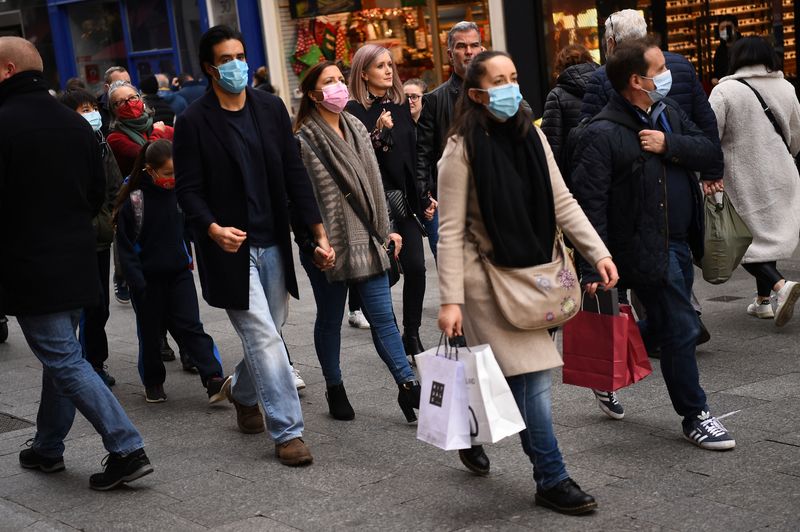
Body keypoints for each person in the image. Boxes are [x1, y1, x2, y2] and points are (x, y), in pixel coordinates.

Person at [437, 50, 617, 515]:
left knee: (516, 383)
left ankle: (474, 434)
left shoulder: (533, 138)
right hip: (486, 284)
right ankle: (552, 478)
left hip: (537, 276)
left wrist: (598, 252)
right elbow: (451, 231)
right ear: (476, 95)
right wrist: (450, 300)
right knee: (533, 383)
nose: (510, 88)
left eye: (514, 77)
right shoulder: (460, 150)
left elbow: (563, 201)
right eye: (498, 81)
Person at [0, 36, 152, 491]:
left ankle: (126, 447)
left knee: (63, 358)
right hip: (78, 256)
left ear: (7, 70)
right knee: (61, 355)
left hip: (29, 262)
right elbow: (95, 192)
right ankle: (48, 447)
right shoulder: (74, 124)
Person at [571, 37, 735, 452]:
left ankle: (607, 367)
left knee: (668, 325)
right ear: (635, 81)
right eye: (659, 70)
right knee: (682, 327)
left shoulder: (668, 114)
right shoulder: (602, 133)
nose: (668, 75)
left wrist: (669, 145)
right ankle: (695, 414)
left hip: (680, 241)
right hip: (642, 248)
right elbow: (590, 204)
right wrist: (594, 263)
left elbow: (709, 150)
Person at [174, 25, 327, 466]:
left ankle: (242, 393)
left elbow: (294, 172)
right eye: (226, 59)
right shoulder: (194, 121)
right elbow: (188, 190)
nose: (237, 64)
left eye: (240, 55)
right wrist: (211, 228)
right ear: (209, 68)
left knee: (270, 335)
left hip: (272, 239)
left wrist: (315, 229)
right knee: (262, 334)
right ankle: (288, 432)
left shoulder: (271, 108)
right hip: (229, 249)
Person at [294, 61, 421, 422]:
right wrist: (313, 242)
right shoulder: (304, 139)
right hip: (328, 246)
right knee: (331, 318)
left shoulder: (356, 127)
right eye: (329, 82)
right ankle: (335, 387)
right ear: (313, 94)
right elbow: (300, 198)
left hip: (367, 238)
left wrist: (386, 229)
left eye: (339, 79)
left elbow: (374, 184)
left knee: (383, 317)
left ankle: (407, 386)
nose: (338, 87)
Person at [114, 140, 231, 403]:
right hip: (146, 280)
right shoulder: (135, 201)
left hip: (179, 274)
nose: (173, 179)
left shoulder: (180, 196)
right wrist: (136, 280)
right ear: (149, 170)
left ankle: (213, 378)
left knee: (191, 326)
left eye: (176, 173)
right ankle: (153, 382)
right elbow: (125, 246)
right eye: (167, 174)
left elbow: (192, 229)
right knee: (150, 331)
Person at [709, 36, 800, 326]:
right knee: (766, 236)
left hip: (743, 175)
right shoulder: (786, 87)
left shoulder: (724, 91)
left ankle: (779, 286)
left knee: (742, 239)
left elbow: (711, 135)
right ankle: (763, 302)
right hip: (782, 171)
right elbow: (796, 135)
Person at [346, 44, 428, 363]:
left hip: (402, 198)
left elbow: (412, 153)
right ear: (363, 73)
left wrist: (423, 195)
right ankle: (391, 336)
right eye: (380, 66)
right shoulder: (352, 111)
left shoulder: (401, 105)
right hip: (372, 204)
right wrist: (376, 132)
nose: (388, 70)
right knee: (386, 275)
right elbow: (355, 159)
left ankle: (413, 333)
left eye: (390, 64)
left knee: (417, 268)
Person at [57, 88, 123, 388]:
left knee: (100, 305)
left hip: (101, 236)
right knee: (80, 304)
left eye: (93, 107)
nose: (92, 113)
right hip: (75, 239)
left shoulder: (102, 144)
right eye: (83, 109)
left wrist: (109, 214)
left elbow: (112, 186)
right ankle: (81, 363)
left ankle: (95, 361)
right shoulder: (60, 148)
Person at [416, 21, 483, 260]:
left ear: (482, 50)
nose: (469, 52)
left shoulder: (498, 92)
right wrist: (425, 197)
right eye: (461, 46)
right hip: (450, 202)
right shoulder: (434, 100)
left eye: (474, 45)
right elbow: (422, 154)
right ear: (450, 54)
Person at [541, 44, 597, 176]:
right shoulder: (603, 86)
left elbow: (551, 145)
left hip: (571, 174)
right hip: (602, 167)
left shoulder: (556, 95)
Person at [106, 80, 174, 177]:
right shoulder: (115, 139)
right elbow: (146, 157)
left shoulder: (164, 130)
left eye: (132, 98)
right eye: (121, 102)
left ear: (141, 100)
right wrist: (158, 133)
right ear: (113, 110)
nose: (129, 104)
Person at [97, 65, 131, 135]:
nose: (126, 87)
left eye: (128, 83)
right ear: (107, 87)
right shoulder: (97, 110)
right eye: (119, 84)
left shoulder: (137, 103)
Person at [712, 16, 739, 85]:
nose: (725, 31)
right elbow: (716, 72)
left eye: (728, 28)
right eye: (722, 29)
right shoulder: (719, 50)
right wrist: (713, 79)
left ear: (736, 28)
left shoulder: (744, 46)